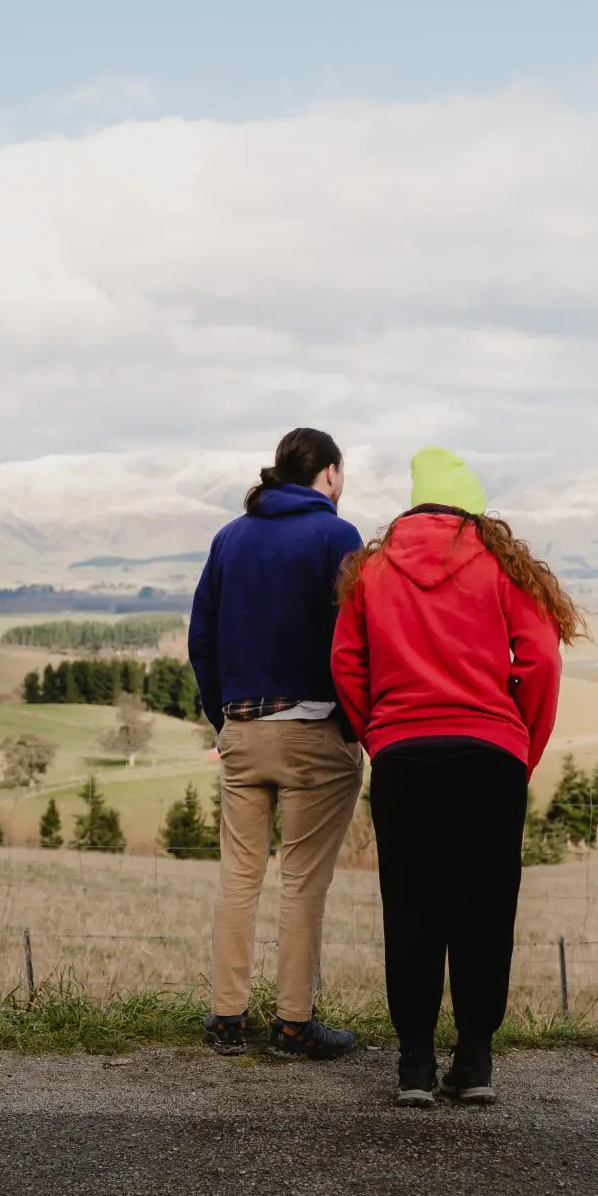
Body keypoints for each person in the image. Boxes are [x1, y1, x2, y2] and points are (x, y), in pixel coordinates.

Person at [333, 448, 575, 1106]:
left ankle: (414, 1062)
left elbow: (346, 663)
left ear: (415, 503)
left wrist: (379, 734)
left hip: (405, 757)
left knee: (410, 906)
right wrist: (521, 745)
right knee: (485, 909)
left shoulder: (372, 571)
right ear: (471, 504)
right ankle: (474, 1060)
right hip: (491, 757)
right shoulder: (502, 565)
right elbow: (542, 662)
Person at [188, 428, 367, 1059]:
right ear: (331, 474)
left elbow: (201, 637)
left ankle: (227, 1018)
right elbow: (355, 637)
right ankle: (293, 1024)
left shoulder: (231, 537)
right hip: (315, 730)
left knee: (238, 877)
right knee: (302, 883)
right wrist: (353, 723)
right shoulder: (337, 537)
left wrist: (222, 716)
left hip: (242, 729)